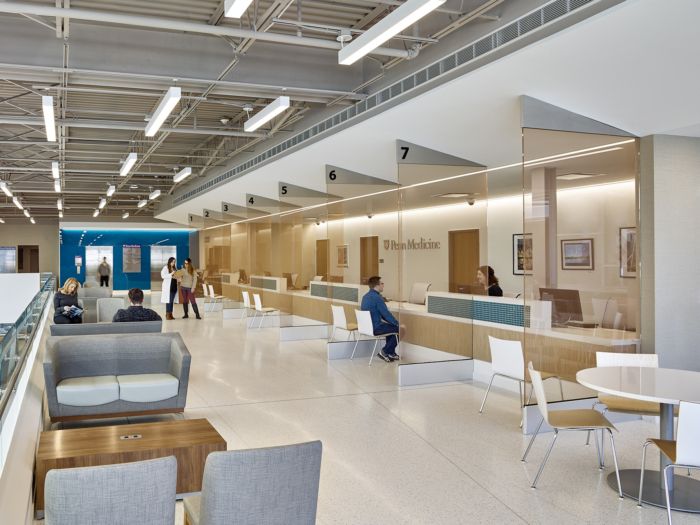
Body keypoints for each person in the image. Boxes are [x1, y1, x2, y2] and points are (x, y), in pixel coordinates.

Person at [360, 276, 404, 362]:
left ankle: (391, 353)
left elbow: (383, 315)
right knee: (400, 329)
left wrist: (393, 323)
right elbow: (386, 314)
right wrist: (396, 323)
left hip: (367, 327)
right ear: (377, 286)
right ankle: (384, 351)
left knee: (391, 328)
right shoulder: (377, 298)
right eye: (382, 283)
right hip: (376, 327)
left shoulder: (365, 296)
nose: (383, 285)